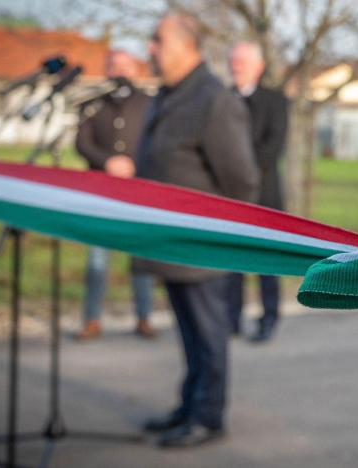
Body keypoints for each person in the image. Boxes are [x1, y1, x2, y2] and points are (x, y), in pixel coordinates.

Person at [137, 14, 260, 447]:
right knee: (190, 335)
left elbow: (242, 182)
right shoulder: (169, 94)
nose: (150, 48)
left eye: (157, 39)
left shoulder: (213, 100)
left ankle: (208, 417)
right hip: (171, 243)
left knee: (209, 336)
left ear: (186, 45)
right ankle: (189, 405)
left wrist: (216, 234)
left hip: (202, 247)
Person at [74, 50, 156, 340]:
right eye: (115, 66)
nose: (120, 71)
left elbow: (157, 141)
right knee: (97, 259)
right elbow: (82, 143)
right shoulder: (92, 103)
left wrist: (135, 164)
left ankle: (144, 317)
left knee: (141, 257)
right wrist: (107, 161)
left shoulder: (149, 102)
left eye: (126, 65)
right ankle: (92, 319)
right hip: (102, 191)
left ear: (135, 69)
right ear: (107, 70)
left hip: (138, 190)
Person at [226, 42, 289, 342]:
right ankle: (231, 318)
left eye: (242, 61)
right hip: (229, 196)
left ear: (259, 66)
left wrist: (239, 172)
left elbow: (273, 146)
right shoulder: (221, 99)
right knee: (232, 263)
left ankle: (269, 317)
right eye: (233, 61)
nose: (236, 66)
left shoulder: (275, 101)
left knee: (266, 262)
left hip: (264, 195)